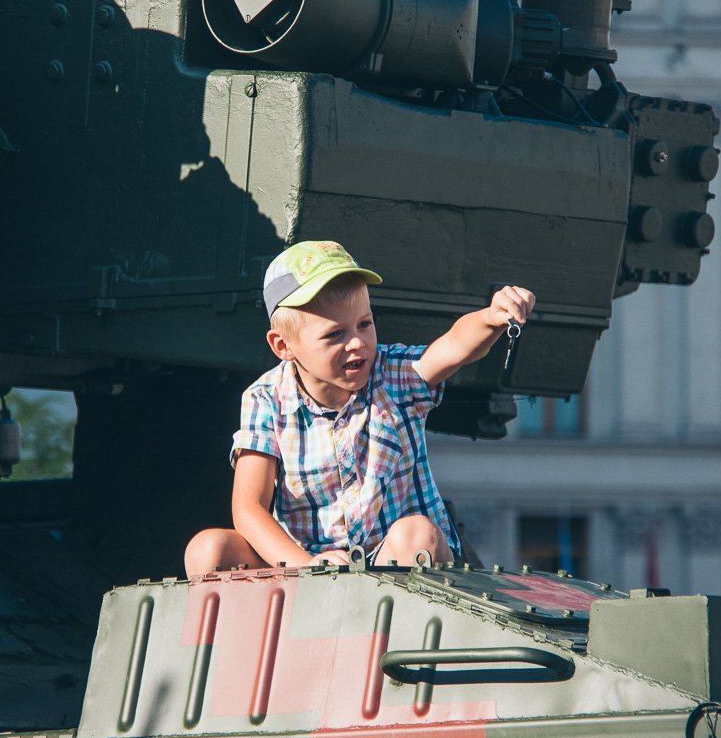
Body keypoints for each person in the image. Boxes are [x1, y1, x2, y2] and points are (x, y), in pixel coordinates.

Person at [183, 240, 535, 574]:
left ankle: (406, 630)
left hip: (392, 563)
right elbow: (249, 508)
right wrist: (306, 564)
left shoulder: (393, 375)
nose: (358, 343)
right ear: (283, 346)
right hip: (301, 565)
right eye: (335, 334)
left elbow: (453, 346)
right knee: (208, 550)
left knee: (417, 535)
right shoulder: (265, 398)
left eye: (364, 324)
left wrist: (490, 317)